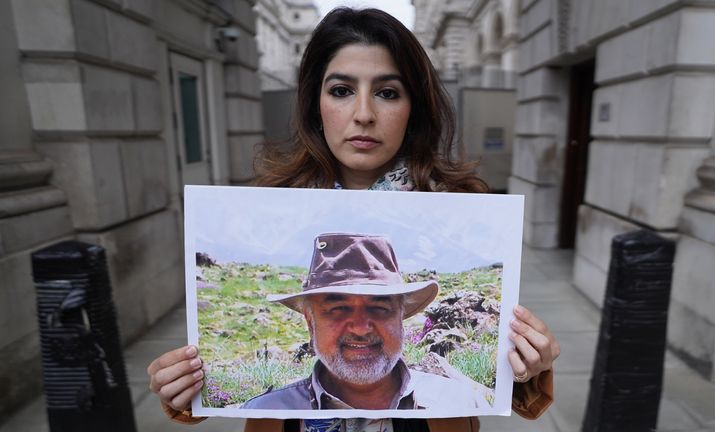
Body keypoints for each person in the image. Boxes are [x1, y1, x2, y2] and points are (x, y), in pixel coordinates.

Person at [147, 7, 559, 432]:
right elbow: (218, 392)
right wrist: (188, 387)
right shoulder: (273, 204)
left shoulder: (464, 207)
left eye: (387, 92)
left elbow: (506, 383)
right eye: (342, 90)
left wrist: (529, 365)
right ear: (315, 104)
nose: (363, 113)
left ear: (413, 107)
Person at [241, 232, 491, 411]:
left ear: (401, 319)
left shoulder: (459, 401)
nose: (360, 328)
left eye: (379, 307)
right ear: (310, 323)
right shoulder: (268, 412)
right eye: (338, 308)